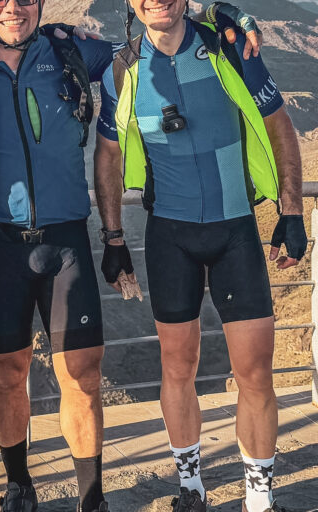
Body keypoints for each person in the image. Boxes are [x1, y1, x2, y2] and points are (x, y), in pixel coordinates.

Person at [0, 1, 256, 511]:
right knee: (6, 372)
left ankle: (92, 500)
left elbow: (152, 41)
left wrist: (221, 18)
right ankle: (19, 485)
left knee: (84, 374)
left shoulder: (69, 51)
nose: (13, 8)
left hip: (65, 240)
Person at [95, 1, 306, 511]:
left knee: (255, 372)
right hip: (170, 235)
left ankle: (259, 498)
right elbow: (108, 154)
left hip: (236, 231)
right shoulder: (121, 69)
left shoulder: (227, 48)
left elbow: (278, 125)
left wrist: (292, 211)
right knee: (177, 367)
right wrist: (113, 236)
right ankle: (191, 489)